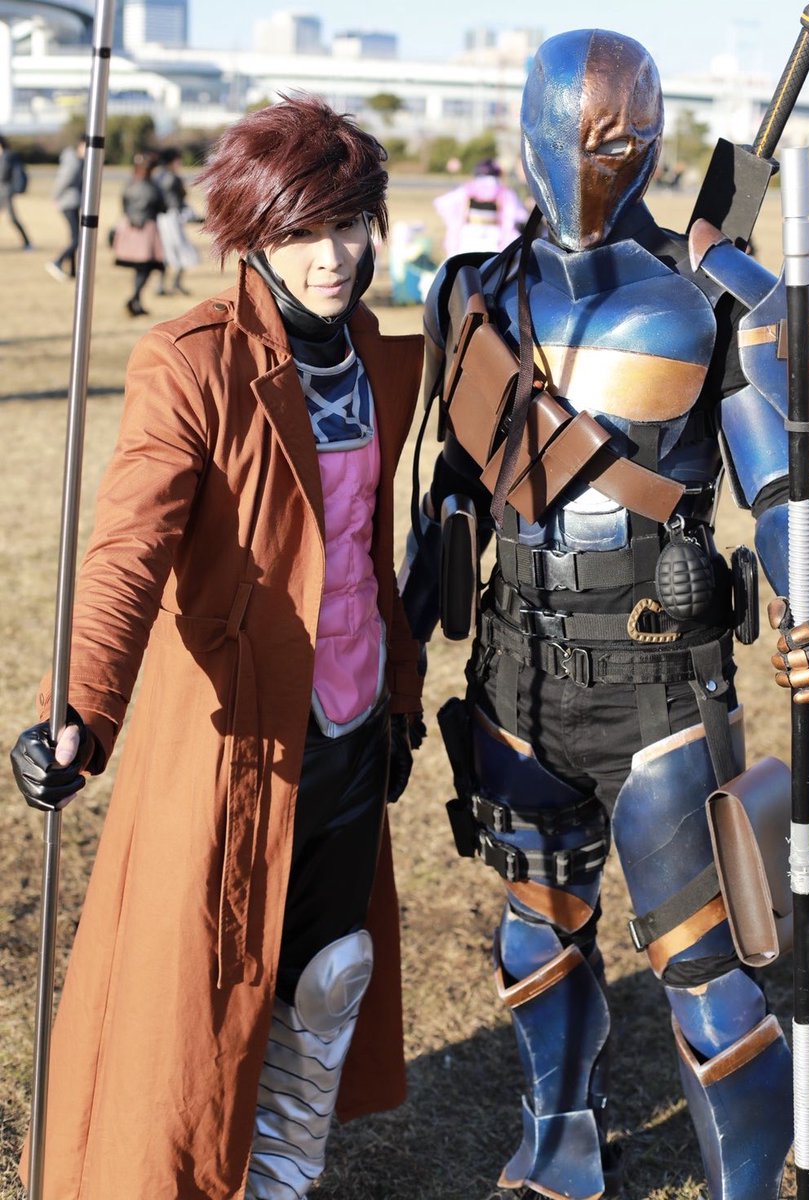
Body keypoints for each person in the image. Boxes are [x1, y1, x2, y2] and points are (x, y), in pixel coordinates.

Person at [401, 29, 809, 1200]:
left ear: (649, 139)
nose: (591, 154)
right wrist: (403, 630)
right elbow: (449, 486)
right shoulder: (471, 291)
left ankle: (743, 1185)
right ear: (529, 132)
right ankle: (558, 1138)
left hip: (659, 690)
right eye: (572, 130)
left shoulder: (716, 295)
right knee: (534, 929)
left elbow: (787, 489)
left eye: (616, 134)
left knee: (702, 965)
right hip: (515, 678)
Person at [10, 94, 424, 1200]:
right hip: (239, 734)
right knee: (202, 990)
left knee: (328, 969)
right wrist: (78, 705)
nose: (333, 257)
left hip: (351, 720)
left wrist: (401, 692)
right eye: (303, 230)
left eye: (350, 225)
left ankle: (284, 1172)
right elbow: (127, 550)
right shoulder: (191, 360)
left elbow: (369, 547)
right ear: (252, 233)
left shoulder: (379, 358)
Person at [433, 156, 527, 258]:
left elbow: (444, 204)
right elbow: (518, 215)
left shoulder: (467, 189)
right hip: (493, 234)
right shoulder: (504, 192)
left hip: (471, 233)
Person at [111, 150, 166, 315]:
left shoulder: (130, 183)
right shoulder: (151, 186)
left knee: (141, 268)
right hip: (146, 229)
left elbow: (124, 204)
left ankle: (136, 300)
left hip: (131, 227)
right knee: (146, 267)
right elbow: (162, 206)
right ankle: (135, 298)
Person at [154, 146, 200, 296]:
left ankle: (162, 285)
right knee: (182, 251)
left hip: (160, 219)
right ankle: (175, 283)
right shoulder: (173, 178)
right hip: (171, 218)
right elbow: (178, 202)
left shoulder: (157, 176)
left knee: (167, 252)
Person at [45, 134, 86, 282]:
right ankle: (57, 262)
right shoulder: (73, 163)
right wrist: (55, 198)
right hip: (68, 202)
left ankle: (73, 271)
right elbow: (63, 181)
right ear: (80, 146)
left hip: (73, 202)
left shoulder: (78, 161)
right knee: (78, 238)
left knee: (75, 237)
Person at [0, 134, 32, 250]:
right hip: (3, 191)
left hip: (5, 192)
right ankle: (27, 242)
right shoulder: (6, 156)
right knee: (13, 218)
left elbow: (3, 175)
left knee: (13, 218)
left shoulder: (7, 157)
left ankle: (27, 243)